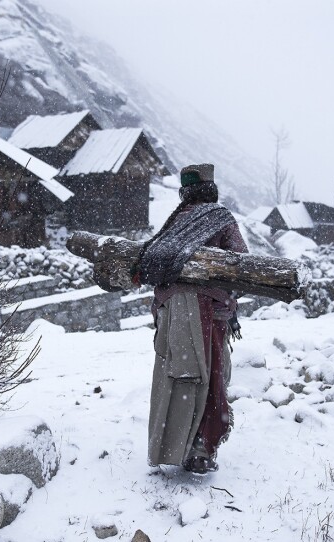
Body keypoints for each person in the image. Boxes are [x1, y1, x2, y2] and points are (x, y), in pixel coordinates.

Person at [134, 163, 248, 474]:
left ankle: (174, 446)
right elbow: (241, 264)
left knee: (175, 378)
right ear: (211, 189)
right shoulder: (220, 219)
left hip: (172, 312)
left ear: (185, 192)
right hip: (207, 312)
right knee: (209, 379)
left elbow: (157, 268)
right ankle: (200, 451)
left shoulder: (175, 221)